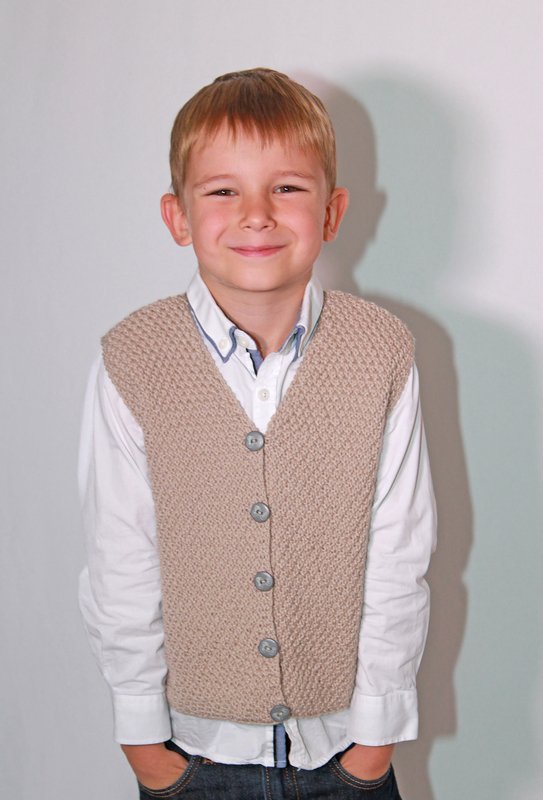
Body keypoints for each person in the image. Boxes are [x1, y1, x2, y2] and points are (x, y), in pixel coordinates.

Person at [79, 67, 436, 799]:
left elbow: (400, 550)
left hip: (345, 753)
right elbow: (120, 555)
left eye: (287, 188)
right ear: (177, 216)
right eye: (222, 191)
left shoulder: (380, 351)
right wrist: (142, 740)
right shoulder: (134, 358)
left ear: (331, 212)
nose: (256, 215)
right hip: (193, 754)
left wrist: (374, 743)